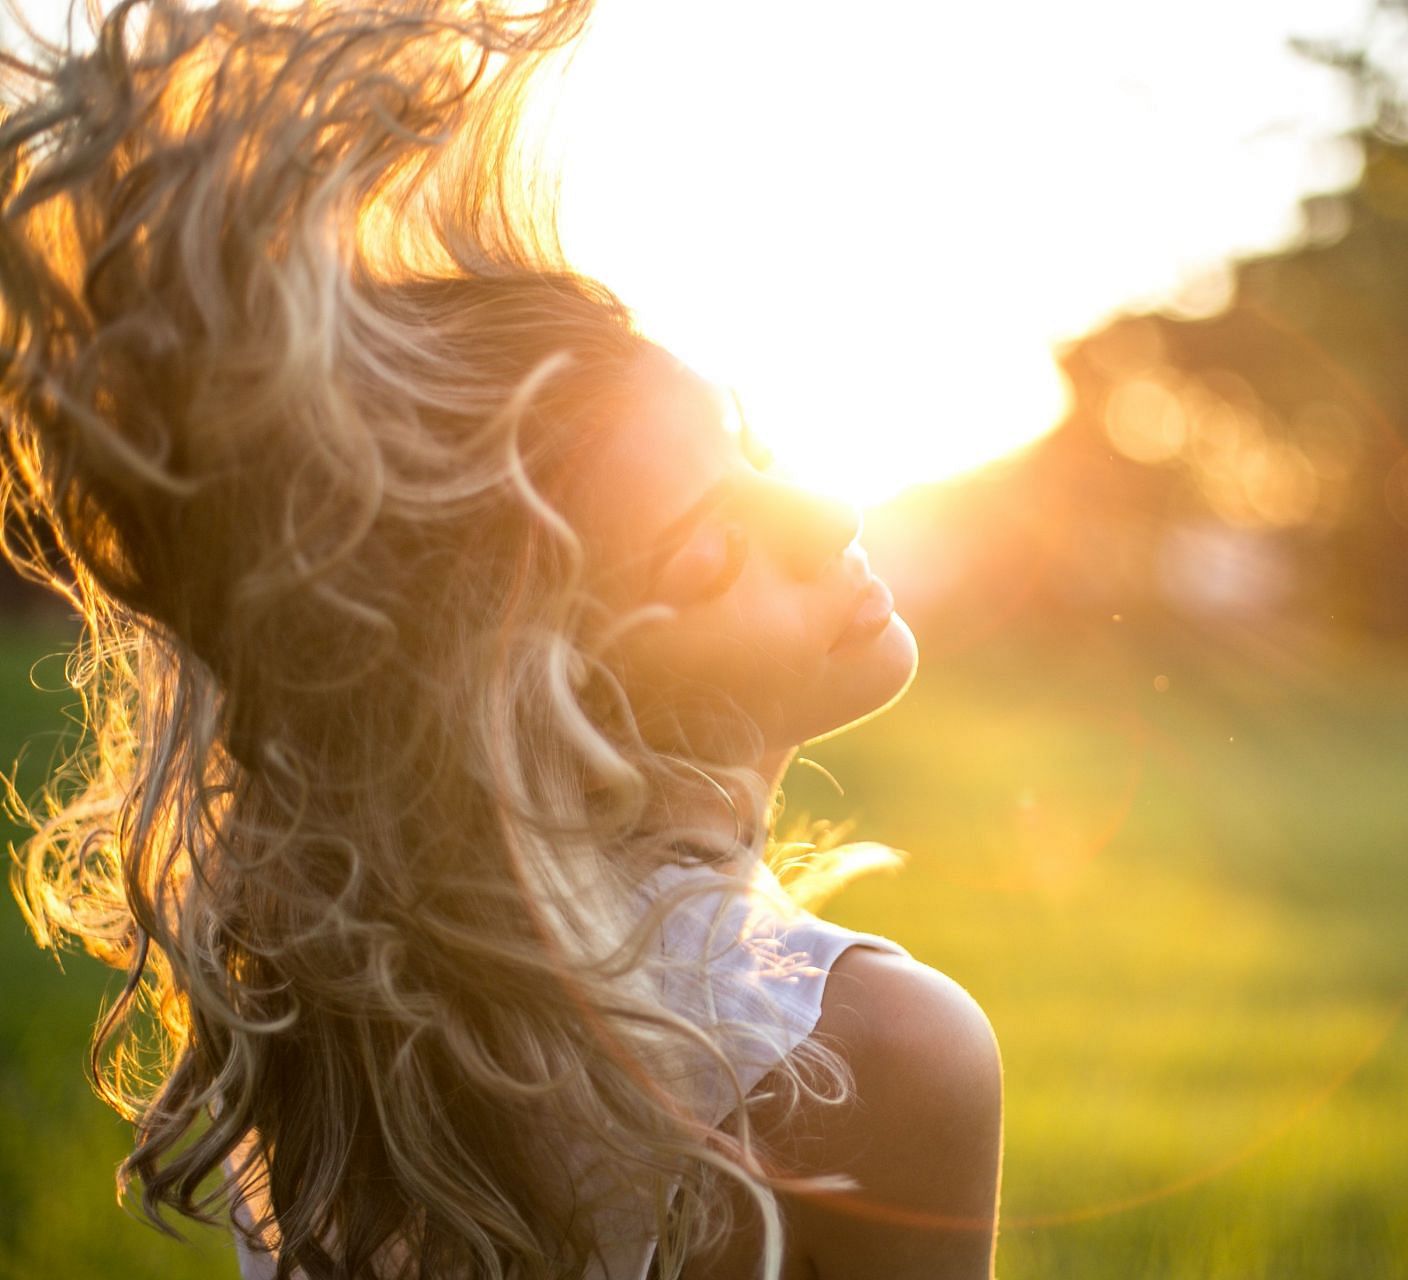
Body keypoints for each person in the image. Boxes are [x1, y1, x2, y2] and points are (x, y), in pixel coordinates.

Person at [0, 2, 1002, 1277]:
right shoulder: (874, 1051)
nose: (829, 511)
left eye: (752, 441)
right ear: (539, 694)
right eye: (705, 551)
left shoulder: (339, 1031)